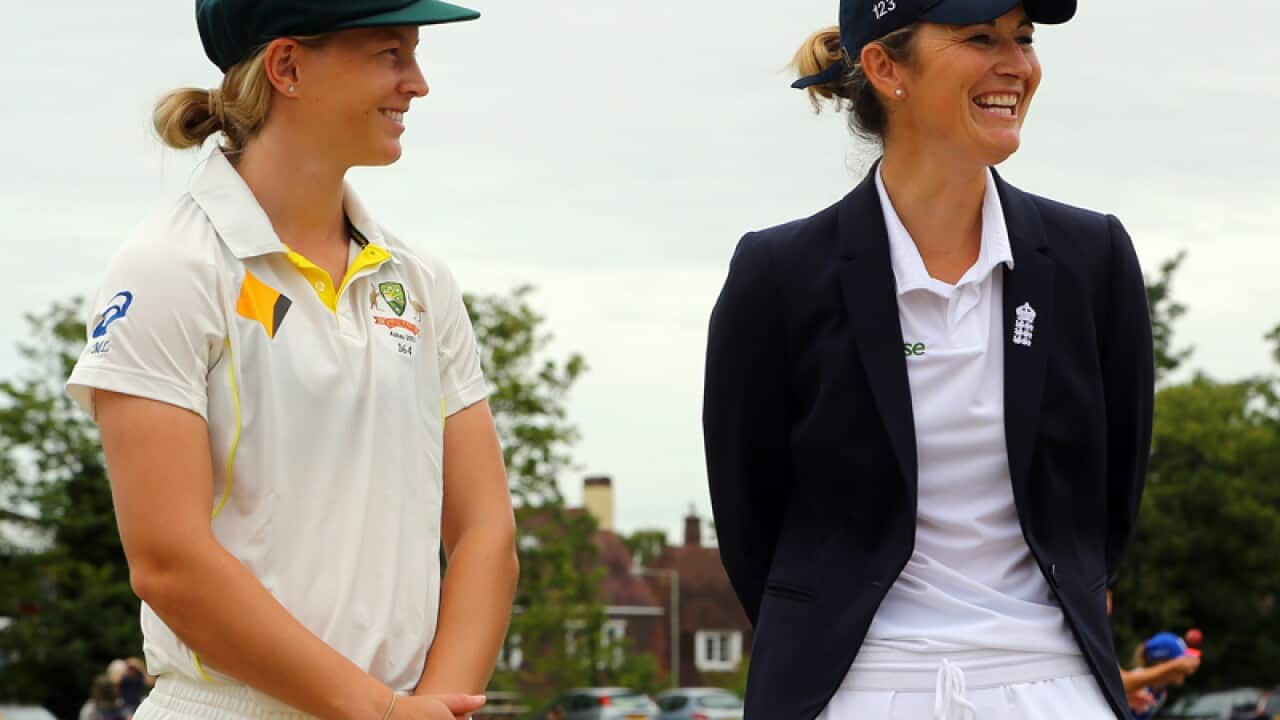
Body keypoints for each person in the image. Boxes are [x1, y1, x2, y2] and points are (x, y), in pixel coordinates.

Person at [65, 1, 518, 719]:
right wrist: (380, 712)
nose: (418, 82)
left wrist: (435, 707)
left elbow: (485, 533)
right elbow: (167, 562)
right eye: (389, 53)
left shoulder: (421, 282)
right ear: (288, 67)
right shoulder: (167, 267)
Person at [703, 0, 1154, 718]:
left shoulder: (1092, 257)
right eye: (980, 38)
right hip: (854, 688)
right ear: (885, 66)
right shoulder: (777, 273)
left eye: (1024, 39)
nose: (1016, 64)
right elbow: (749, 515)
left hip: (1050, 681)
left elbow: (1110, 503)